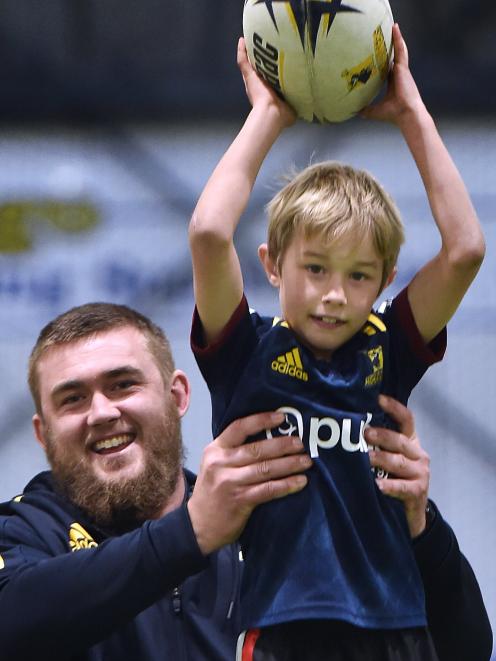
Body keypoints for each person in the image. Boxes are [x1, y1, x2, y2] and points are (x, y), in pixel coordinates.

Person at [188, 24, 485, 660]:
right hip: (282, 628)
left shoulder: (389, 350)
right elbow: (210, 233)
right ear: (271, 265)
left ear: (384, 281)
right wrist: (268, 114)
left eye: (358, 277)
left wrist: (410, 112)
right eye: (315, 268)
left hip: (396, 627)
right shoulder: (244, 353)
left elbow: (465, 251)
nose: (333, 294)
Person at [0, 303, 491, 660]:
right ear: (43, 433)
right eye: (72, 399)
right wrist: (191, 533)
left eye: (123, 384)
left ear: (177, 396)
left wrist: (419, 528)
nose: (102, 413)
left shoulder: (271, 510)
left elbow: (465, 647)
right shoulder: (26, 528)